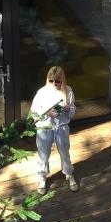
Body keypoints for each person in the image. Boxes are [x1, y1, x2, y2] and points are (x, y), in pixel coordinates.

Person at [30, 66, 78, 194]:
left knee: (64, 152)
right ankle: (42, 176)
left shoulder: (68, 91)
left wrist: (69, 110)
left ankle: (69, 173)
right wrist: (46, 114)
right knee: (43, 154)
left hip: (61, 127)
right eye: (51, 81)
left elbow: (73, 110)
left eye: (57, 81)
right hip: (45, 127)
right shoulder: (41, 92)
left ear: (62, 80)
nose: (54, 84)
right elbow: (33, 112)